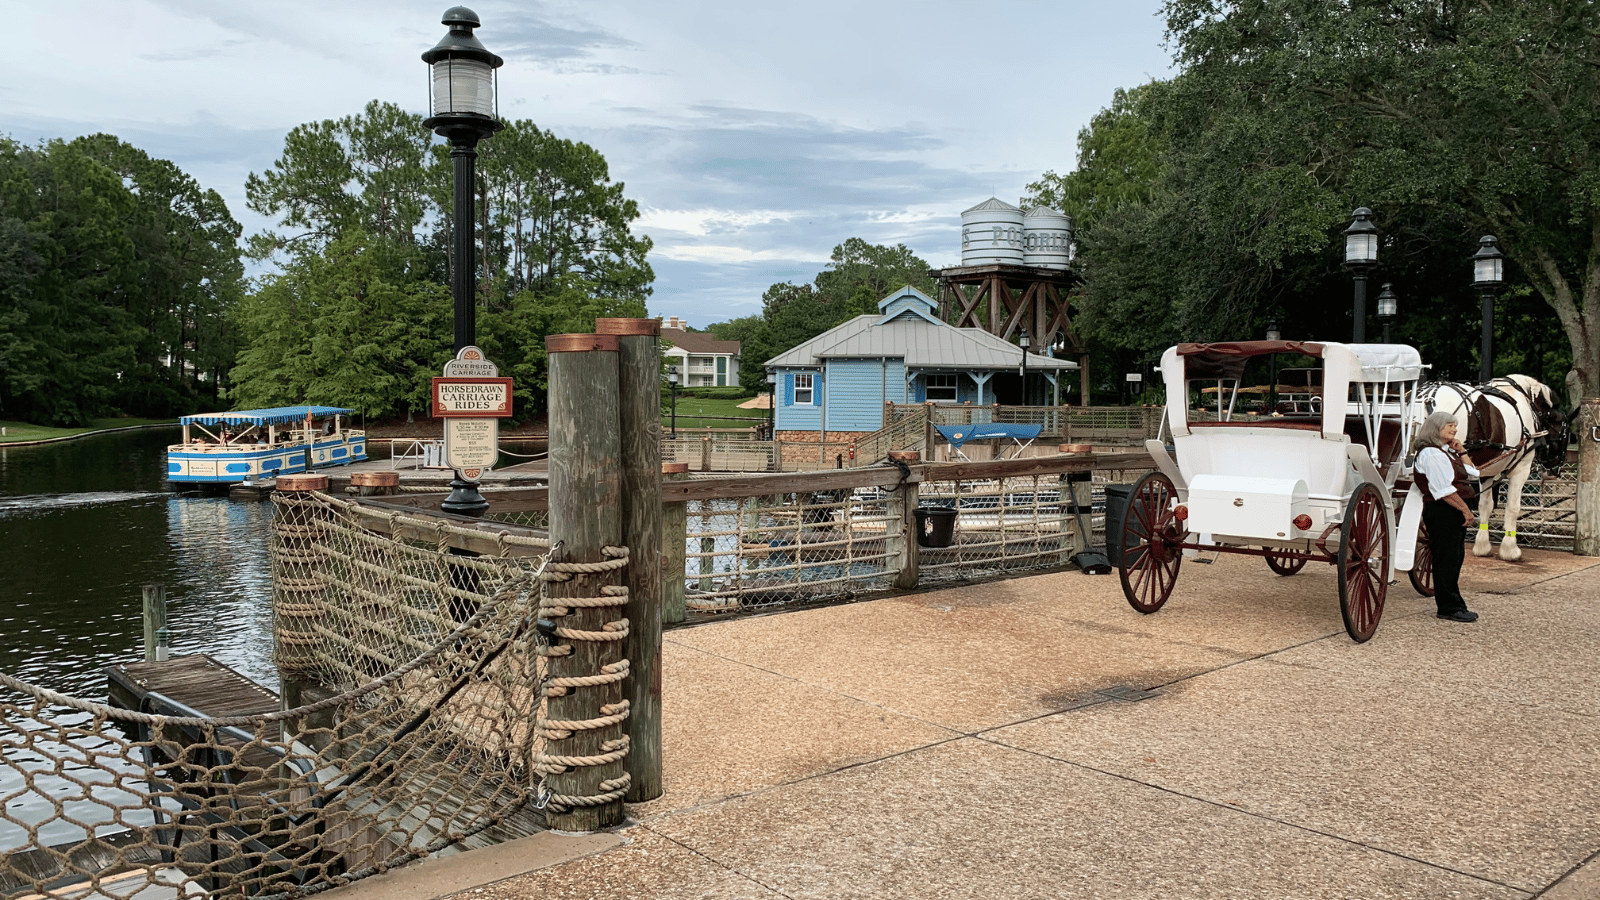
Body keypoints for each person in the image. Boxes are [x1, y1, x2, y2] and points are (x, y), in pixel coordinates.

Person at [1411, 409, 1480, 622]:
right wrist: (1465, 510)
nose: (1455, 429)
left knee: (1455, 557)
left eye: (1454, 425)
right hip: (1444, 510)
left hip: (1452, 509)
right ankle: (1449, 607)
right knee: (1447, 559)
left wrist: (1461, 451)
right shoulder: (1431, 454)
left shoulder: (1445, 452)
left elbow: (1473, 472)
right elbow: (1443, 490)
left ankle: (1454, 604)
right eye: (1449, 425)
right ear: (1435, 428)